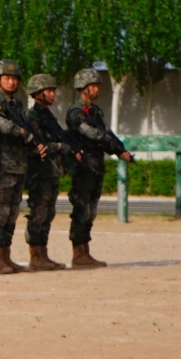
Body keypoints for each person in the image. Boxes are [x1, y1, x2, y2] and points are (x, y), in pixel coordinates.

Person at [0, 60, 48, 274]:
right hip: (1, 166)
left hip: (18, 165)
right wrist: (21, 132)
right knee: (0, 212)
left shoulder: (17, 106)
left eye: (14, 78)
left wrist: (36, 143)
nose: (11, 81)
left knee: (12, 212)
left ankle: (7, 256)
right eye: (7, 78)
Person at [66, 68, 132, 268]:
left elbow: (106, 132)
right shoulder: (75, 112)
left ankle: (85, 250)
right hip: (83, 165)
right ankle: (78, 252)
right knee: (81, 209)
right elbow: (91, 133)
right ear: (82, 88)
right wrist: (110, 143)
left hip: (96, 164)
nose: (96, 89)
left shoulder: (95, 111)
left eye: (97, 86)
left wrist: (120, 150)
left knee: (91, 209)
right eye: (92, 86)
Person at [22, 74, 77, 271]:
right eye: (49, 91)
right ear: (38, 93)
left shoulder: (48, 116)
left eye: (53, 90)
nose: (53, 94)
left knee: (48, 212)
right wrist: (59, 146)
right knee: (38, 212)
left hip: (51, 170)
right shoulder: (31, 117)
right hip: (38, 171)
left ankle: (43, 253)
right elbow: (38, 145)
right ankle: (35, 255)